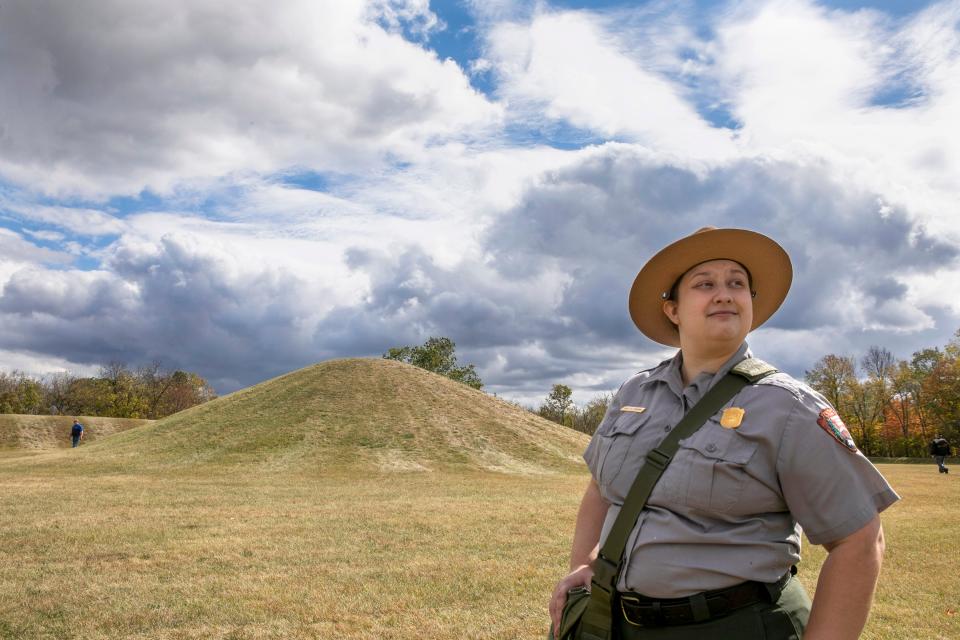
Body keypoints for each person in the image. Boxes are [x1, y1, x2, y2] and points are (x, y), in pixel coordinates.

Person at [549, 227, 900, 640]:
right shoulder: (634, 392)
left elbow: (859, 540)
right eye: (705, 284)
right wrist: (587, 565)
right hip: (614, 623)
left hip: (735, 625)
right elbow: (602, 489)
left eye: (737, 283)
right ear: (673, 310)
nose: (724, 293)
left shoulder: (789, 407)